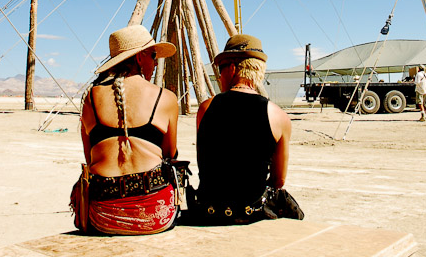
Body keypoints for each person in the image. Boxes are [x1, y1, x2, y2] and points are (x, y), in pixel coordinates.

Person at [188, 34, 303, 224]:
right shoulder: (279, 116)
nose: (219, 76)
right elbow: (278, 180)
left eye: (221, 69)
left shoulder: (205, 109)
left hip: (210, 210)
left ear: (232, 68)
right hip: (252, 212)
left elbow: (204, 166)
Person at [77, 24, 180, 234]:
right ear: (140, 57)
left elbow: (90, 158)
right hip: (155, 214)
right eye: (153, 56)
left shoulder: (90, 98)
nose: (155, 63)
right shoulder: (165, 98)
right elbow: (170, 153)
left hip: (101, 214)